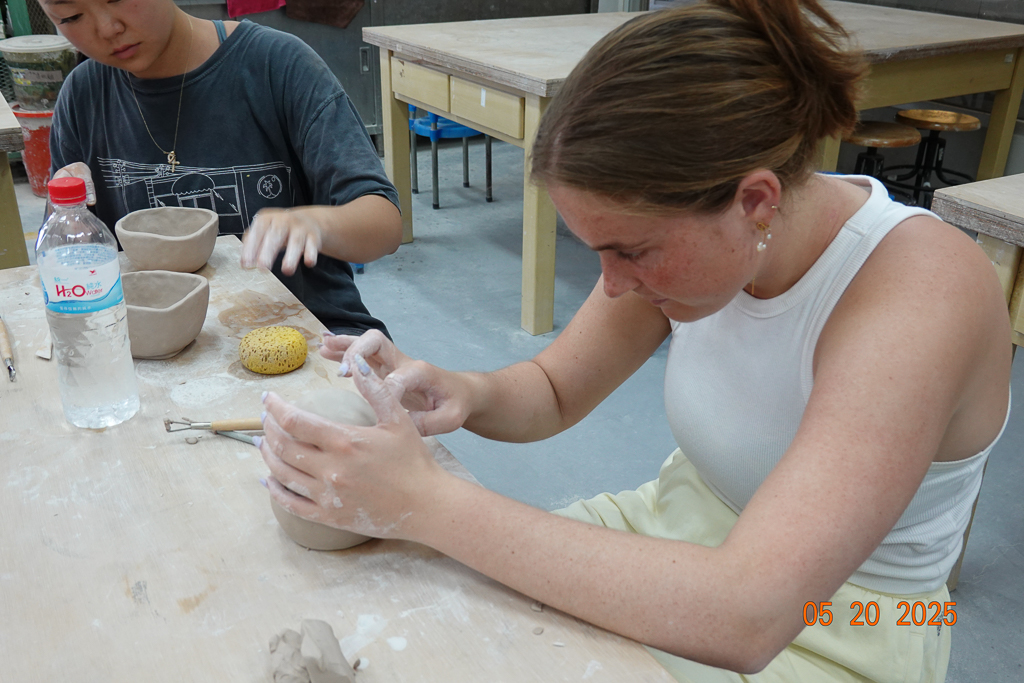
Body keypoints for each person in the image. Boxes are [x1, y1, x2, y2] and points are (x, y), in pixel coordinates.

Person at [254, 0, 1011, 680]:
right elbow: (555, 390)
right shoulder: (697, 251)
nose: (612, 285)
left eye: (631, 251)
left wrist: (426, 502)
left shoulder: (918, 288)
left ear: (756, 201)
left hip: (844, 622)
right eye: (597, 252)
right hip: (676, 528)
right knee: (430, 621)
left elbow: (749, 614)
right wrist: (463, 390)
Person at [42, 0, 402, 337]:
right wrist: (67, 216)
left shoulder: (277, 64)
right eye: (71, 17)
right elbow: (67, 271)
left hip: (314, 331)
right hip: (159, 340)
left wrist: (316, 224)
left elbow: (384, 224)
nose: (107, 29)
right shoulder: (82, 96)